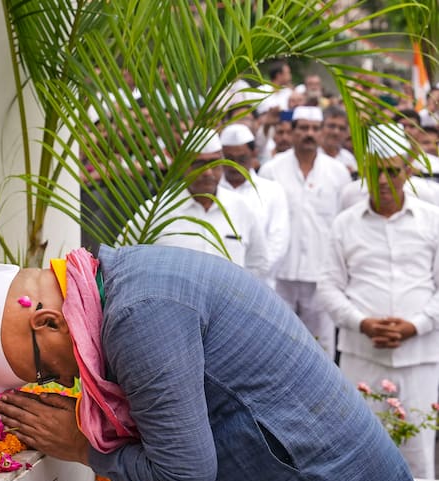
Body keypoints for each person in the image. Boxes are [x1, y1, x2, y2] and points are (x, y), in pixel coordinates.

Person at [0, 244, 439, 481]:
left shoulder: (137, 315)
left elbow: (184, 472)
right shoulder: (128, 280)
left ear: (48, 323)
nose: (62, 382)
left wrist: (83, 447)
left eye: (44, 370)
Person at [318, 123, 439, 481]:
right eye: (376, 172)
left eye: (393, 171)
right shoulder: (345, 224)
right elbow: (328, 287)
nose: (384, 181)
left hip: (420, 357)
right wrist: (363, 323)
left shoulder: (433, 219)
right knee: (361, 453)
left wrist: (415, 325)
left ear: (408, 170)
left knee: (419, 458)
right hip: (360, 356)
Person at [258, 105, 351, 357]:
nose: (309, 133)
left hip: (321, 274)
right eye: (303, 128)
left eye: (314, 128)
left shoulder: (338, 172)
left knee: (321, 348)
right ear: (292, 130)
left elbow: (345, 223)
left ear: (321, 132)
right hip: (280, 273)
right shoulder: (271, 170)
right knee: (276, 344)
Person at [119, 129, 269, 278]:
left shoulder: (241, 208)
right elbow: (121, 259)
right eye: (199, 164)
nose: (208, 172)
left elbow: (258, 264)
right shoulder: (156, 211)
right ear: (183, 166)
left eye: (214, 163)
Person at [218, 123, 289, 285]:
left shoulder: (271, 191)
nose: (235, 165)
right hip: (216, 284)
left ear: (254, 154)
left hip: (260, 285)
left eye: (241, 159)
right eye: (229, 160)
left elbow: (277, 242)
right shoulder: (210, 192)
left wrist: (249, 278)